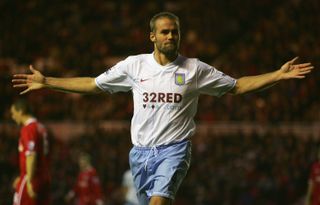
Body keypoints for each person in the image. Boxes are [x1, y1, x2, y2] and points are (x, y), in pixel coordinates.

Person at [12, 11, 314, 205]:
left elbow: (238, 86)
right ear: (153, 36)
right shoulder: (133, 65)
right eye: (166, 32)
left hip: (174, 150)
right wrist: (47, 81)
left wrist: (278, 74)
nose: (171, 36)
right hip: (139, 154)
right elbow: (93, 84)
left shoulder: (194, 69)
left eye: (176, 32)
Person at [10, 99, 51, 205]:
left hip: (32, 177)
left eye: (13, 113)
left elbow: (31, 155)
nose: (12, 117)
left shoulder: (28, 129)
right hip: (44, 176)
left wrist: (28, 179)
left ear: (21, 111)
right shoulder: (41, 127)